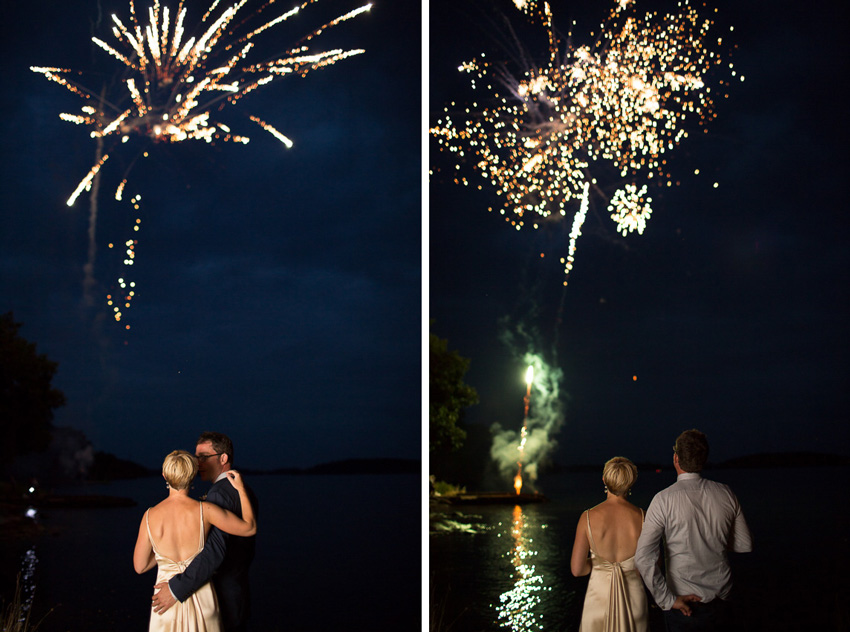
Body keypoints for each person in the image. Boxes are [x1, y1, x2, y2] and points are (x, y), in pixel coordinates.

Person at [634, 429, 753, 631]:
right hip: (721, 601)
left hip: (682, 606)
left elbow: (643, 557)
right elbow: (744, 545)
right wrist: (713, 537)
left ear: (676, 458)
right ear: (704, 459)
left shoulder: (663, 500)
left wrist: (667, 599)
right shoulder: (726, 493)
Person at [134, 450, 257, 632]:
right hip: (202, 597)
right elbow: (249, 528)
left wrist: (161, 554)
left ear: (164, 475)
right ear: (193, 475)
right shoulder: (205, 510)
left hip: (164, 601)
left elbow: (140, 566)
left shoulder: (149, 516)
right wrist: (240, 489)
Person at [570, 456, 648, 631]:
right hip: (634, 601)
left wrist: (599, 564)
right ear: (631, 482)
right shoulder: (643, 518)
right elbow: (649, 567)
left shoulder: (587, 518)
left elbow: (577, 570)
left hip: (598, 601)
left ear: (604, 479)